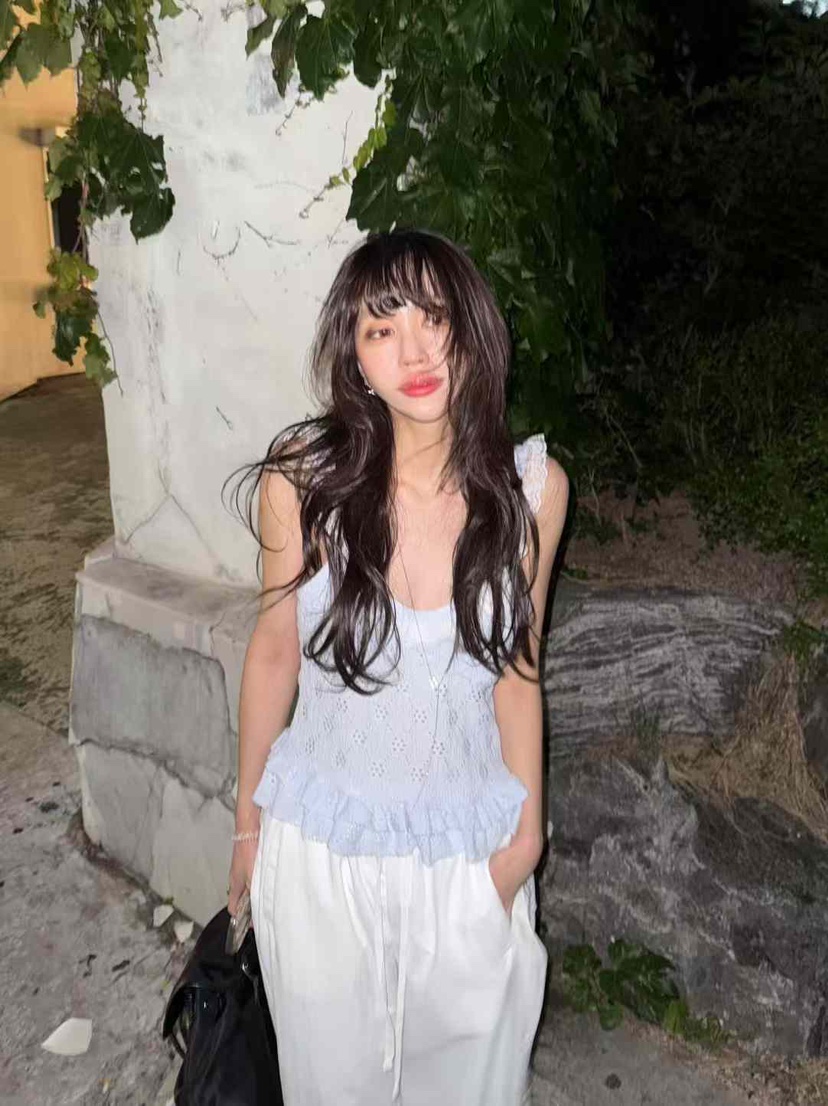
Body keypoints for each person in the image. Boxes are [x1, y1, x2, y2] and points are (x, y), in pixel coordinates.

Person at [225, 228, 569, 1106]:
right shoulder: (303, 486)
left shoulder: (531, 492)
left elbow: (518, 667)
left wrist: (525, 842)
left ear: (472, 329)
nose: (414, 353)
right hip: (323, 861)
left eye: (433, 319)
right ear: (355, 356)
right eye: (382, 329)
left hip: (469, 858)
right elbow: (273, 653)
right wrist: (247, 832)